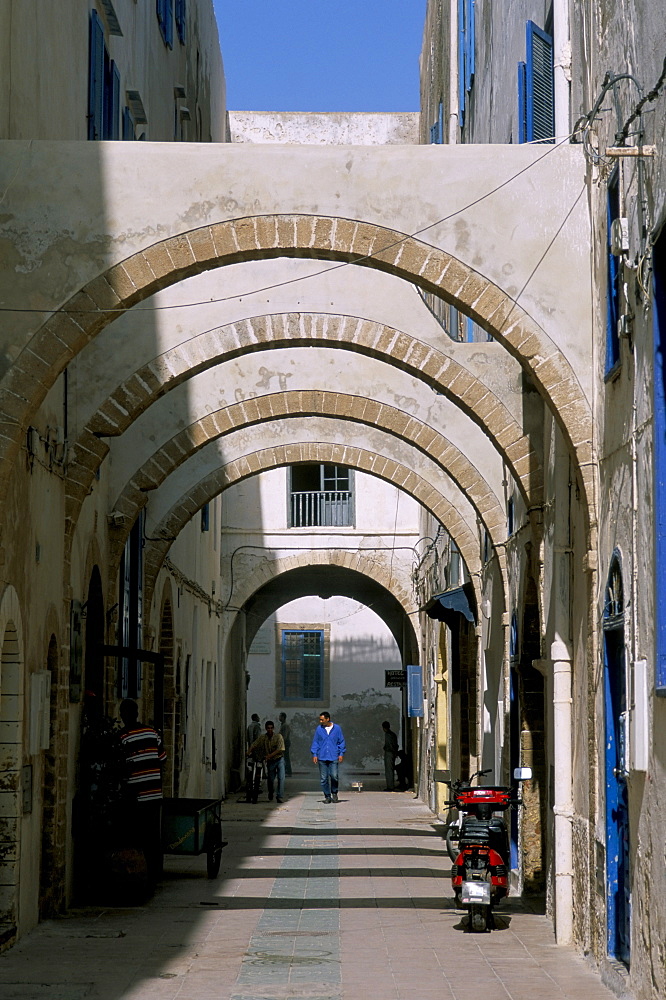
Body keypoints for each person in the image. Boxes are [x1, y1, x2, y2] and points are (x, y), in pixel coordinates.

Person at [118, 698, 167, 885]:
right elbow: (162, 758)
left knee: (137, 834)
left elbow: (121, 766)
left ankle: (140, 874)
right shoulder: (152, 733)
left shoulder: (123, 737)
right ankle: (155, 873)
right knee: (153, 835)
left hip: (136, 794)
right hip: (154, 792)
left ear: (124, 715)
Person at [311, 711, 346, 803]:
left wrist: (341, 753)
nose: (320, 721)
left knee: (334, 776)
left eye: (322, 720)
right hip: (322, 756)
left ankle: (334, 793)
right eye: (320, 720)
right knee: (323, 778)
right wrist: (314, 754)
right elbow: (316, 742)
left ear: (328, 719)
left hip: (333, 756)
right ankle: (327, 796)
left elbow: (341, 741)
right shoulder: (319, 729)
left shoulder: (337, 728)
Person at [247, 720, 286, 803]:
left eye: (271, 728)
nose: (270, 730)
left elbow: (280, 749)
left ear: (273, 728)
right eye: (268, 728)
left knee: (281, 778)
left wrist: (269, 756)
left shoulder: (278, 737)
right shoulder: (263, 737)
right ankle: (271, 792)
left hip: (279, 759)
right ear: (266, 729)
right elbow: (254, 744)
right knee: (270, 780)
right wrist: (248, 752)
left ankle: (279, 796)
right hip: (271, 761)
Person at [382, 720, 399, 791]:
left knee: (389, 770)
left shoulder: (388, 735)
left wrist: (385, 748)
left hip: (389, 753)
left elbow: (389, 745)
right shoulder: (393, 734)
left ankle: (390, 786)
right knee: (390, 769)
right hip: (392, 753)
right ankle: (390, 785)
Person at [278, 712, 292, 776]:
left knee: (286, 758)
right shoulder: (283, 725)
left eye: (280, 717)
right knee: (284, 757)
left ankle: (288, 771)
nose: (279, 718)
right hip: (284, 743)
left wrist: (281, 743)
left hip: (285, 743)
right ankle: (286, 770)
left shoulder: (285, 725)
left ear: (283, 717)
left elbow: (285, 736)